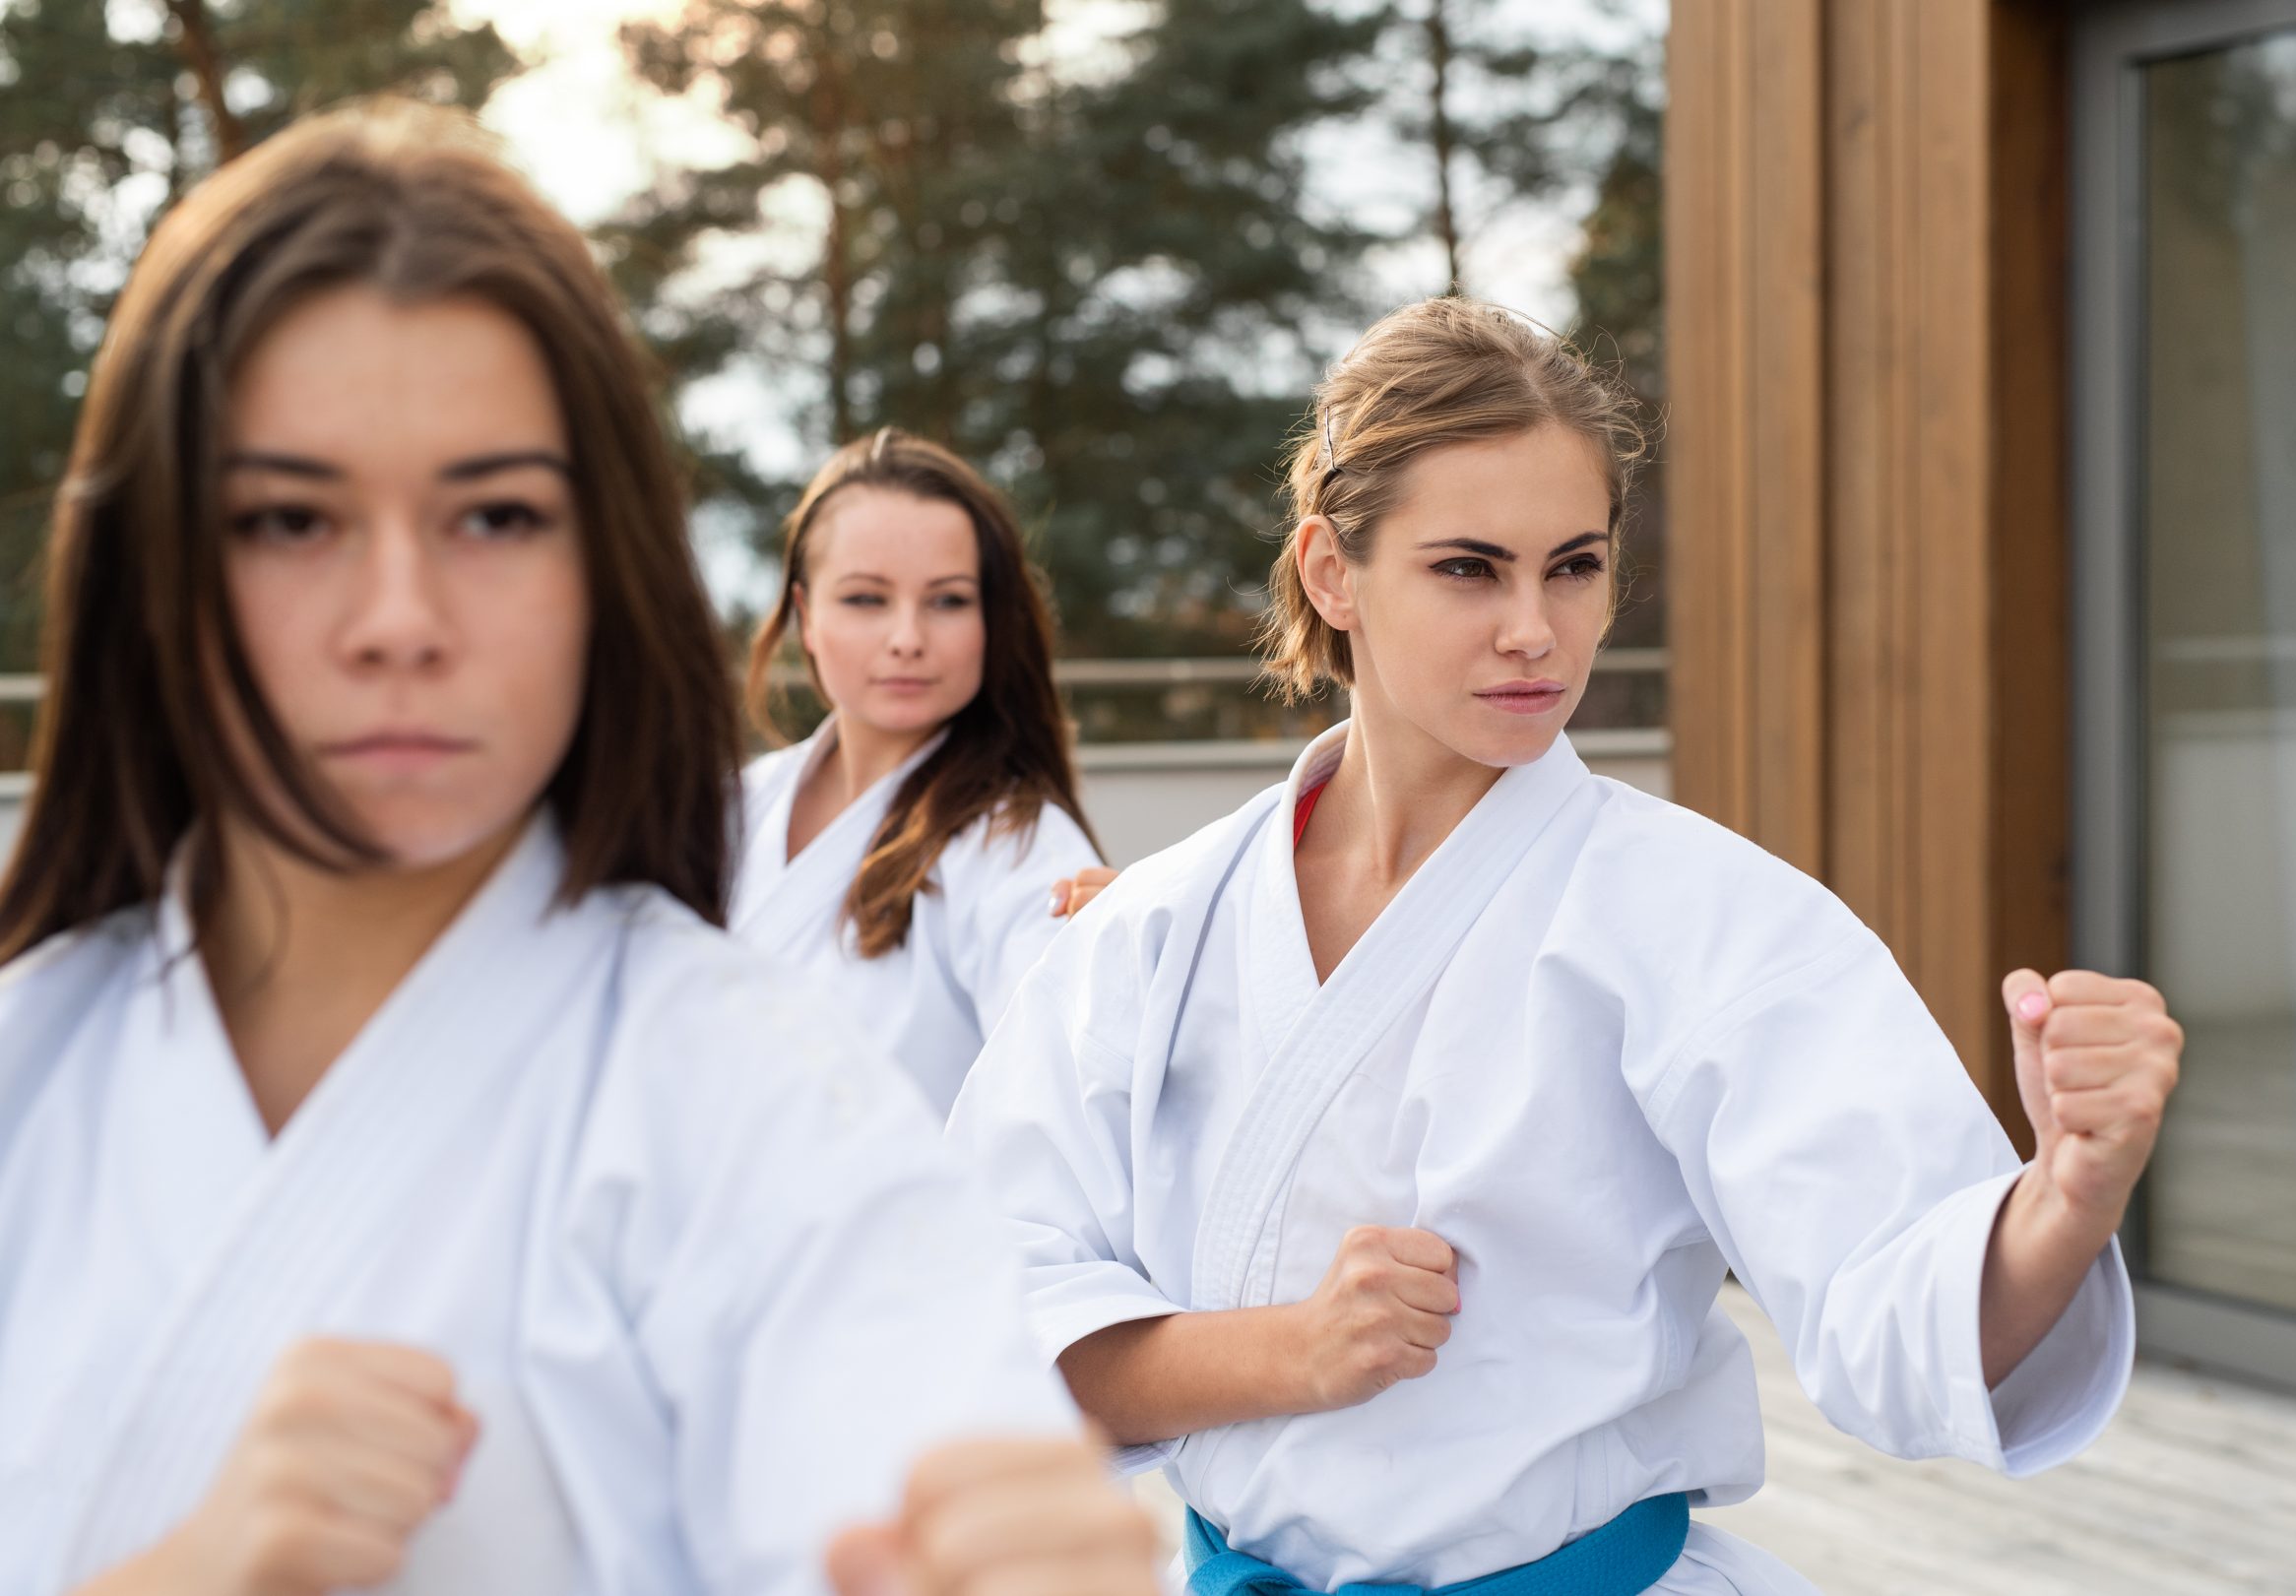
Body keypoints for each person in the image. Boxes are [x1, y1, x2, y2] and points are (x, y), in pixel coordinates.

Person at [0, 101, 1155, 1596]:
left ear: (603, 563)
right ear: (154, 564)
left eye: (494, 515)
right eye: (290, 519)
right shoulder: (31, 1054)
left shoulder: (772, 1122)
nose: (400, 618)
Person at [944, 297, 2183, 1596]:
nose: (1537, 629)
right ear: (1330, 573)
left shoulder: (1708, 915)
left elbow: (1898, 1302)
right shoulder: (1155, 927)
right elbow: (980, 1304)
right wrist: (1289, 1353)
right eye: (1470, 568)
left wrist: (2063, 1199)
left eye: (1575, 566)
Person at [733, 431, 1111, 1117]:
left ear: (991, 621)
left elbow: (1080, 1091)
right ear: (805, 618)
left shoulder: (1020, 847)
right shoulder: (725, 809)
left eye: (947, 600)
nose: (907, 636)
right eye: (865, 599)